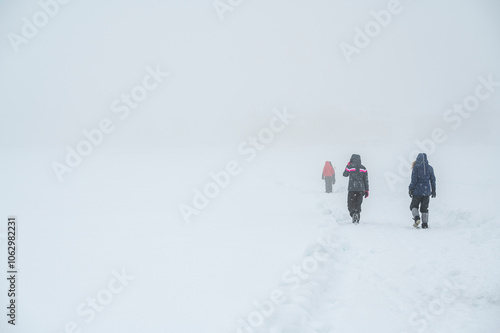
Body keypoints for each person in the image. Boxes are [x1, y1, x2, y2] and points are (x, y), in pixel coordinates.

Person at [409, 153, 436, 229]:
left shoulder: (416, 168)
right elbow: (433, 180)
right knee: (424, 208)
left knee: (414, 206)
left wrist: (410, 189)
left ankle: (417, 218)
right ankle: (425, 224)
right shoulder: (430, 168)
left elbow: (413, 180)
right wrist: (433, 190)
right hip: (426, 192)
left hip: (417, 191)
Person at [343, 154, 369, 224]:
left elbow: (345, 174)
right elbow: (366, 180)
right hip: (361, 189)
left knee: (350, 204)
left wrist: (348, 165)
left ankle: (353, 214)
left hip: (352, 188)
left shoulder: (350, 167)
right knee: (358, 203)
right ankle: (356, 214)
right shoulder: (363, 168)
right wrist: (367, 190)